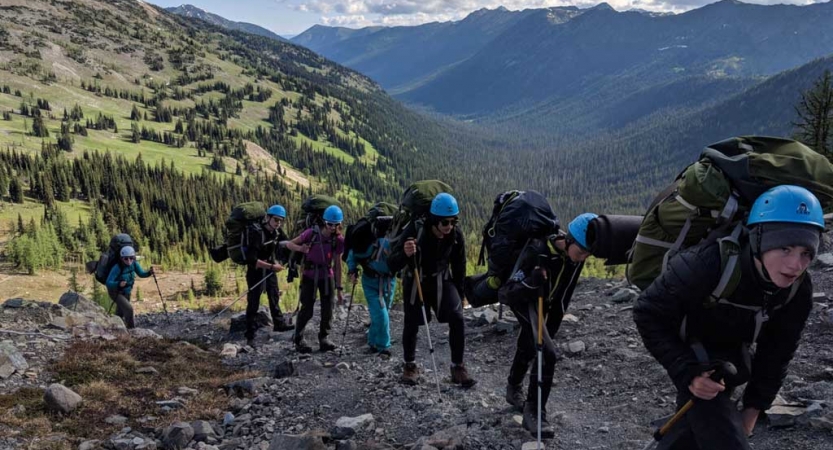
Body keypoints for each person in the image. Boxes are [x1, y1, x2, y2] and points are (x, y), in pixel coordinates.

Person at [633, 185, 824, 450]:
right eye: (785, 249)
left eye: (806, 253)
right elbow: (647, 312)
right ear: (758, 240)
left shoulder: (798, 289)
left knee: (702, 424)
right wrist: (686, 370)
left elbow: (778, 349)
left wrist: (754, 407)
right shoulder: (706, 263)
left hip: (732, 352)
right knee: (722, 432)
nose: (795, 265)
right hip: (691, 345)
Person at [498, 212, 597, 438]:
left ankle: (513, 388)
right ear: (569, 240)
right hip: (525, 301)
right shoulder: (537, 250)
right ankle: (534, 411)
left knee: (533, 342)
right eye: (581, 252)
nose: (582, 258)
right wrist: (531, 284)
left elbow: (564, 296)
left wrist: (553, 323)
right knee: (548, 353)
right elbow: (506, 293)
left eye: (587, 255)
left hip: (547, 305)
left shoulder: (574, 258)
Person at [388, 193, 476, 388]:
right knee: (412, 322)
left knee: (457, 317)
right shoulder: (414, 230)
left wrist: (460, 295)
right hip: (416, 280)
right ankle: (409, 365)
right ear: (434, 220)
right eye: (445, 222)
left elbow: (459, 266)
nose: (449, 226)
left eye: (453, 221)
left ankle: (457, 367)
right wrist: (405, 252)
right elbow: (392, 263)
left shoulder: (455, 235)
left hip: (441, 280)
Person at [286, 205, 345, 353]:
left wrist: (339, 288)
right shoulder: (311, 233)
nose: (332, 227)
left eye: (336, 224)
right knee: (307, 309)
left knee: (328, 309)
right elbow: (289, 244)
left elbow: (338, 264)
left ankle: (324, 338)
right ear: (324, 221)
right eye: (330, 224)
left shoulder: (338, 240)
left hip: (327, 275)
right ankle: (298, 338)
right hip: (309, 275)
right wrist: (301, 249)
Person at [243, 204, 294, 348]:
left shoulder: (277, 232)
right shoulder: (257, 233)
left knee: (274, 295)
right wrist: (272, 266)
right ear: (268, 217)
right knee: (253, 302)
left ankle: (279, 324)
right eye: (276, 220)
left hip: (270, 268)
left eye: (281, 221)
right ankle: (250, 335)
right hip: (256, 271)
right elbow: (252, 260)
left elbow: (287, 242)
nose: (278, 223)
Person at [346, 225, 396, 357]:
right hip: (375, 283)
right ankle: (383, 346)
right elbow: (352, 255)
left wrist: (352, 269)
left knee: (382, 312)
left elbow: (352, 255)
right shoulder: (367, 243)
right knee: (381, 314)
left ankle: (372, 341)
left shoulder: (376, 243)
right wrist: (352, 269)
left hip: (384, 281)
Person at [106, 245, 153, 329]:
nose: (129, 261)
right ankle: (132, 330)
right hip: (115, 292)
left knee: (120, 312)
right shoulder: (117, 267)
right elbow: (108, 282)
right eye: (126, 258)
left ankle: (115, 328)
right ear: (121, 258)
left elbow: (141, 274)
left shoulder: (134, 264)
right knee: (129, 309)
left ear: (134, 257)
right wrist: (118, 284)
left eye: (131, 258)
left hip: (127, 291)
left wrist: (149, 273)